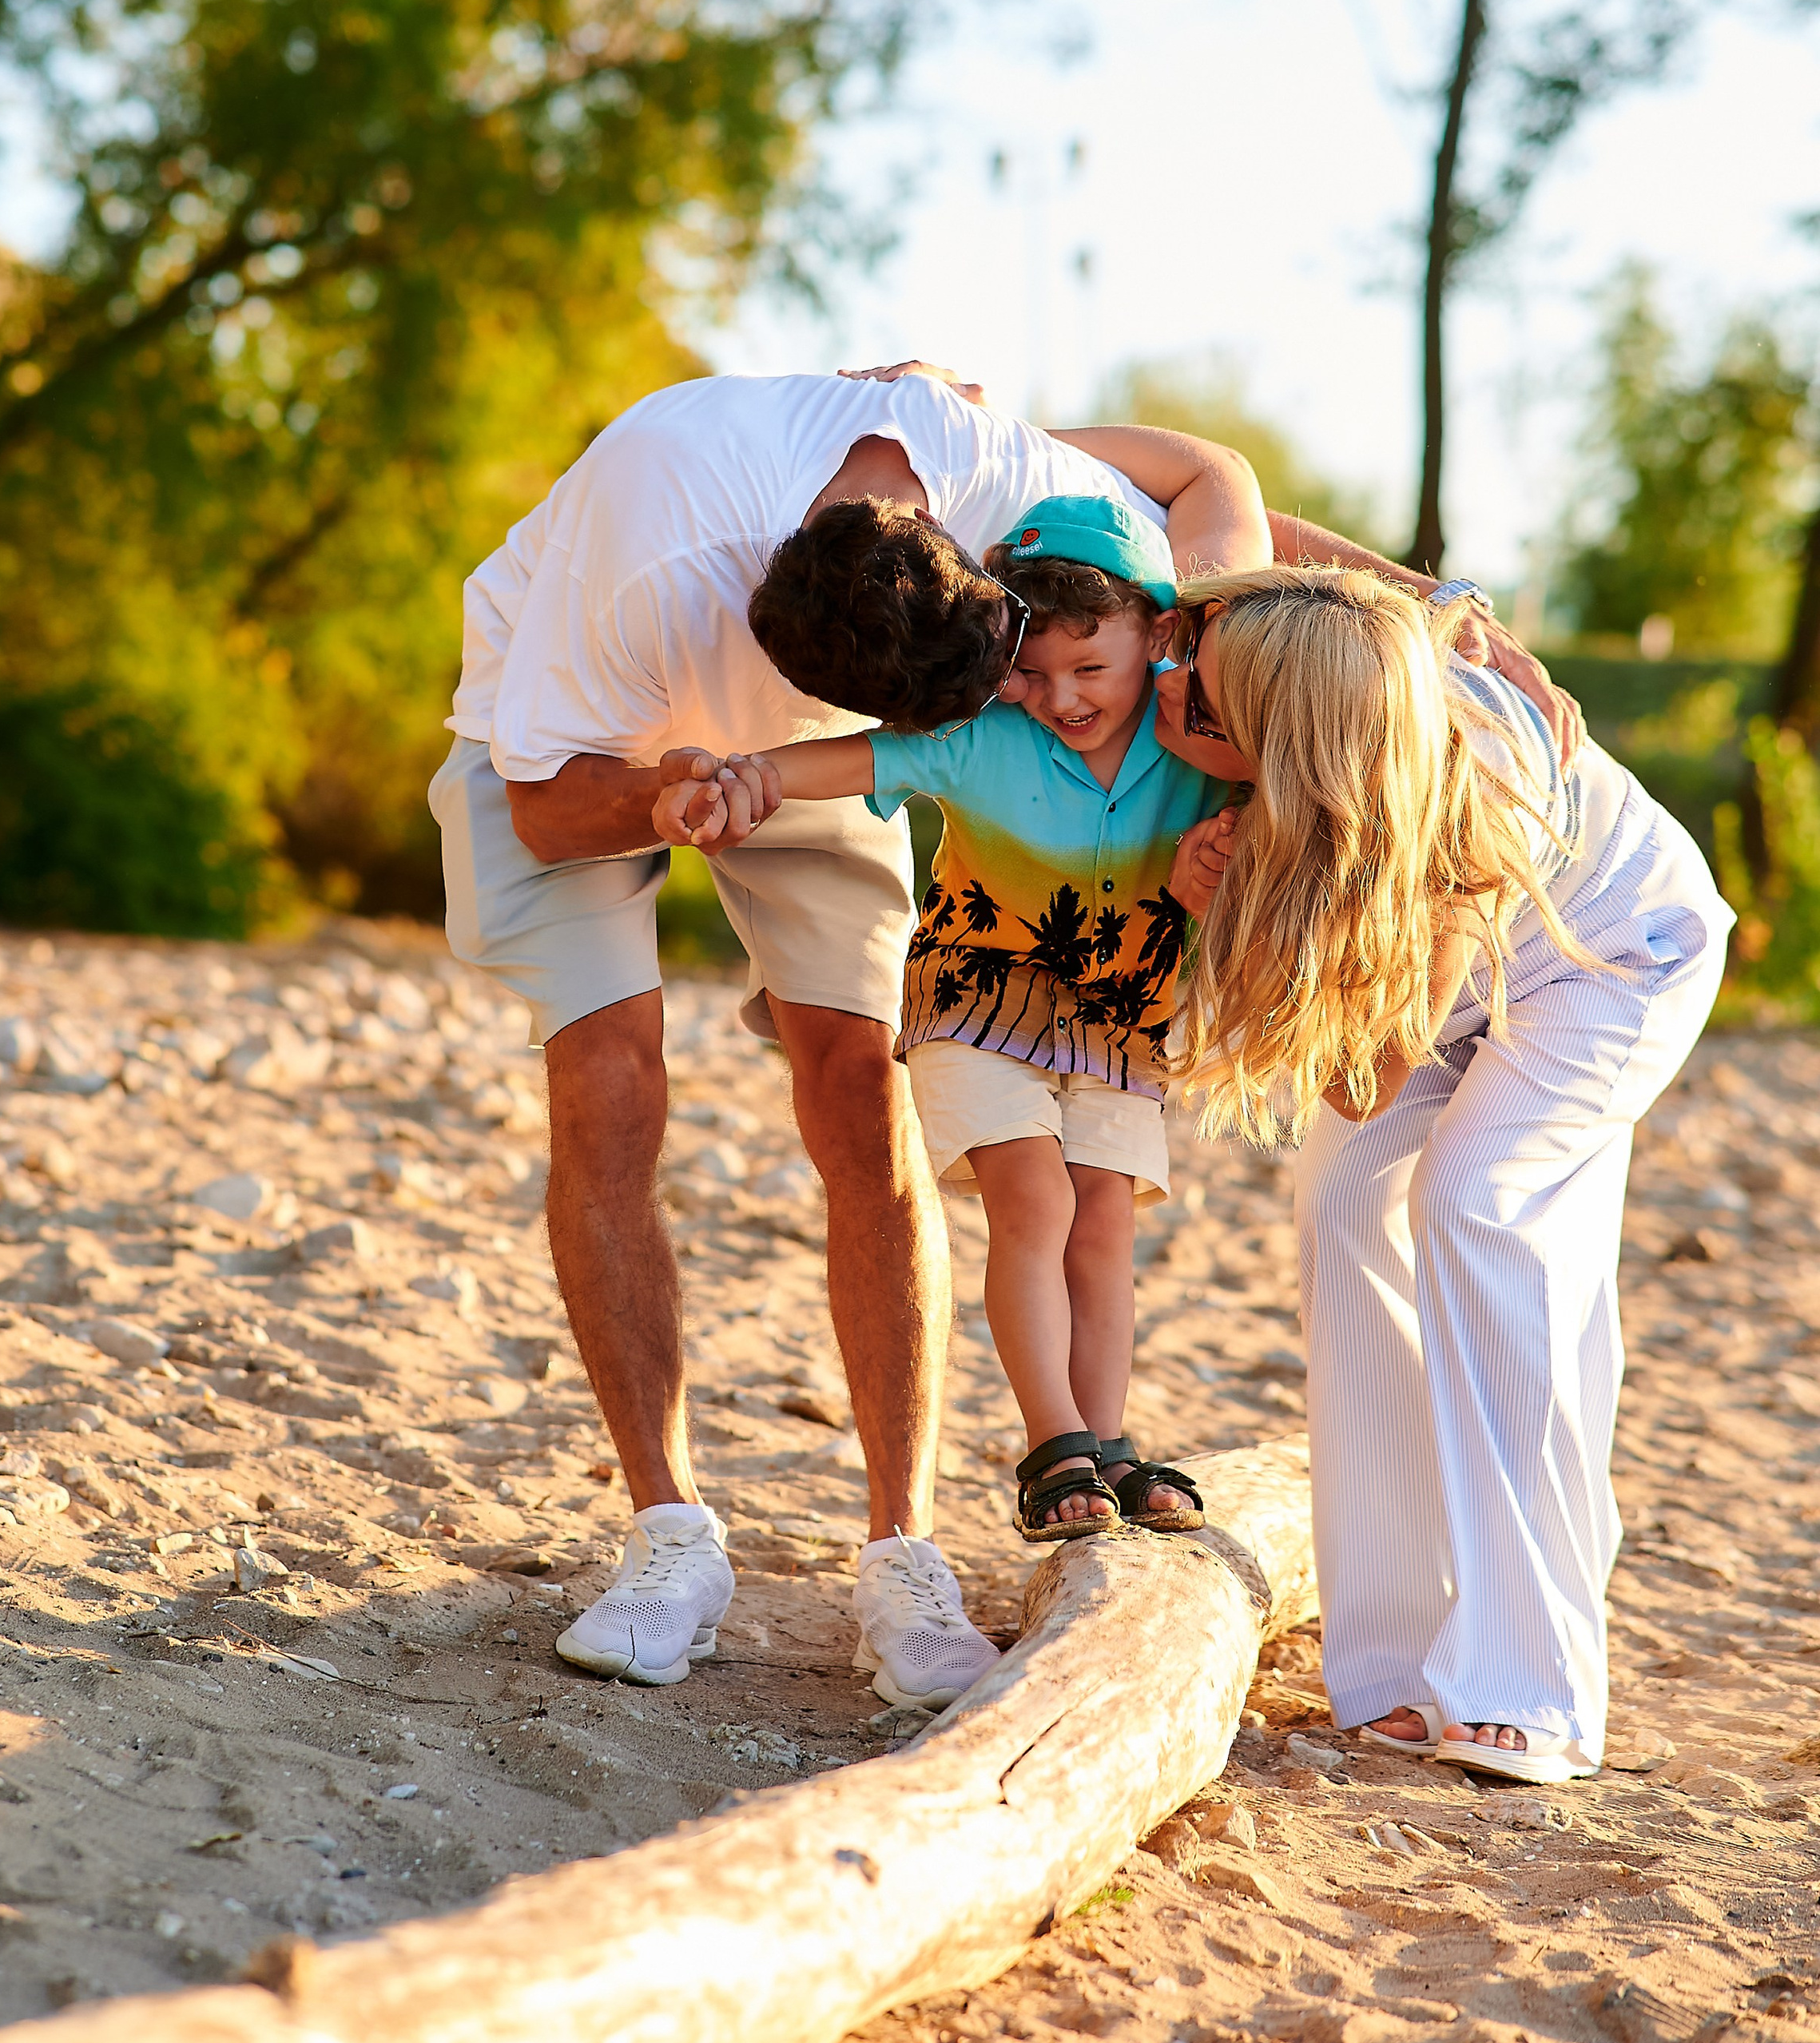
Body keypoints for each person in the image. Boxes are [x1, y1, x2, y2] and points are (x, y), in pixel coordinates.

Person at [431, 365, 1271, 1703]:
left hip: (811, 755)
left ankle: (902, 1550)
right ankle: (669, 1536)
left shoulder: (989, 465)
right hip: (577, 752)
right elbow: (542, 810)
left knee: (863, 1084)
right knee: (612, 1079)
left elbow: (1205, 505)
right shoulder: (653, 558)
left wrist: (1431, 608)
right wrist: (673, 792)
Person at [1150, 564, 1733, 1787]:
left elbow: (1362, 1075)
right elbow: (1246, 516)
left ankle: (1534, 1686)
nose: (1175, 689)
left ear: (1296, 736)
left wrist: (1238, 903)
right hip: (1463, 974)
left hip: (1616, 955)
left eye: (1210, 701)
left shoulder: (1474, 798)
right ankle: (1400, 1660)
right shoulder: (1344, 673)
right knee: (1346, 1196)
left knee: (1471, 1199)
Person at [658, 492, 1242, 1547]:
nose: (1059, 697)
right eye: (1034, 668)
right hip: (981, 1000)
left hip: (1125, 1017)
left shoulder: (1196, 747)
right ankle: (1053, 1440)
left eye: (1090, 670)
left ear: (1158, 633)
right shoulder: (983, 739)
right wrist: (751, 777)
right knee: (1033, 1200)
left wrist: (1231, 855)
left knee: (1104, 1220)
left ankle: (1105, 1441)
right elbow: (862, 759)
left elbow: (1281, 817)